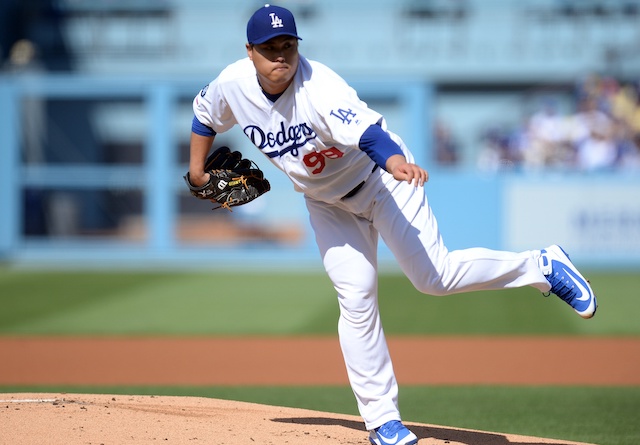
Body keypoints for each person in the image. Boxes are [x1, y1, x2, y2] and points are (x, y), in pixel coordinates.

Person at [187, 5, 598, 445]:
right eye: (270, 48)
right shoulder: (232, 83)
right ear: (250, 51)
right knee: (356, 296)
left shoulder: (320, 88)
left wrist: (396, 162)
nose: (281, 55)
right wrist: (197, 172)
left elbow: (370, 136)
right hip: (326, 203)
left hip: (382, 181)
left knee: (434, 277)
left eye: (288, 44)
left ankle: (542, 266)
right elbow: (205, 116)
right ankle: (383, 421)